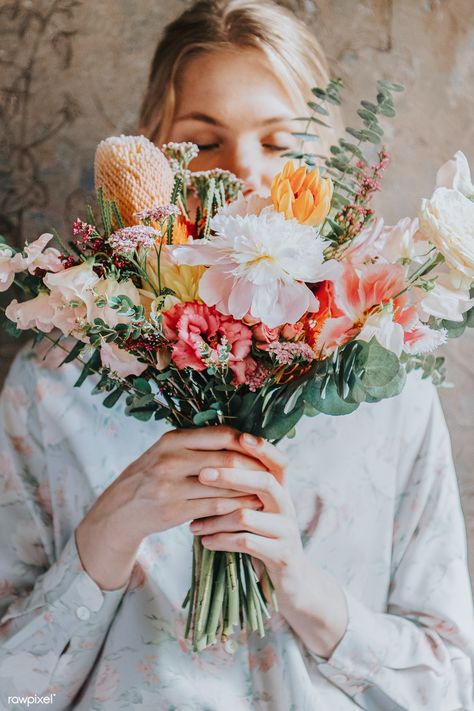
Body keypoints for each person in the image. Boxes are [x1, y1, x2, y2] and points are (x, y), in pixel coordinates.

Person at [0, 0, 473, 708]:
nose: (244, 174)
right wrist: (108, 531)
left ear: (329, 169)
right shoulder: (54, 381)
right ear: (152, 156)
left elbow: (452, 687)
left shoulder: (387, 380)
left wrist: (305, 588)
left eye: (281, 143)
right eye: (202, 140)